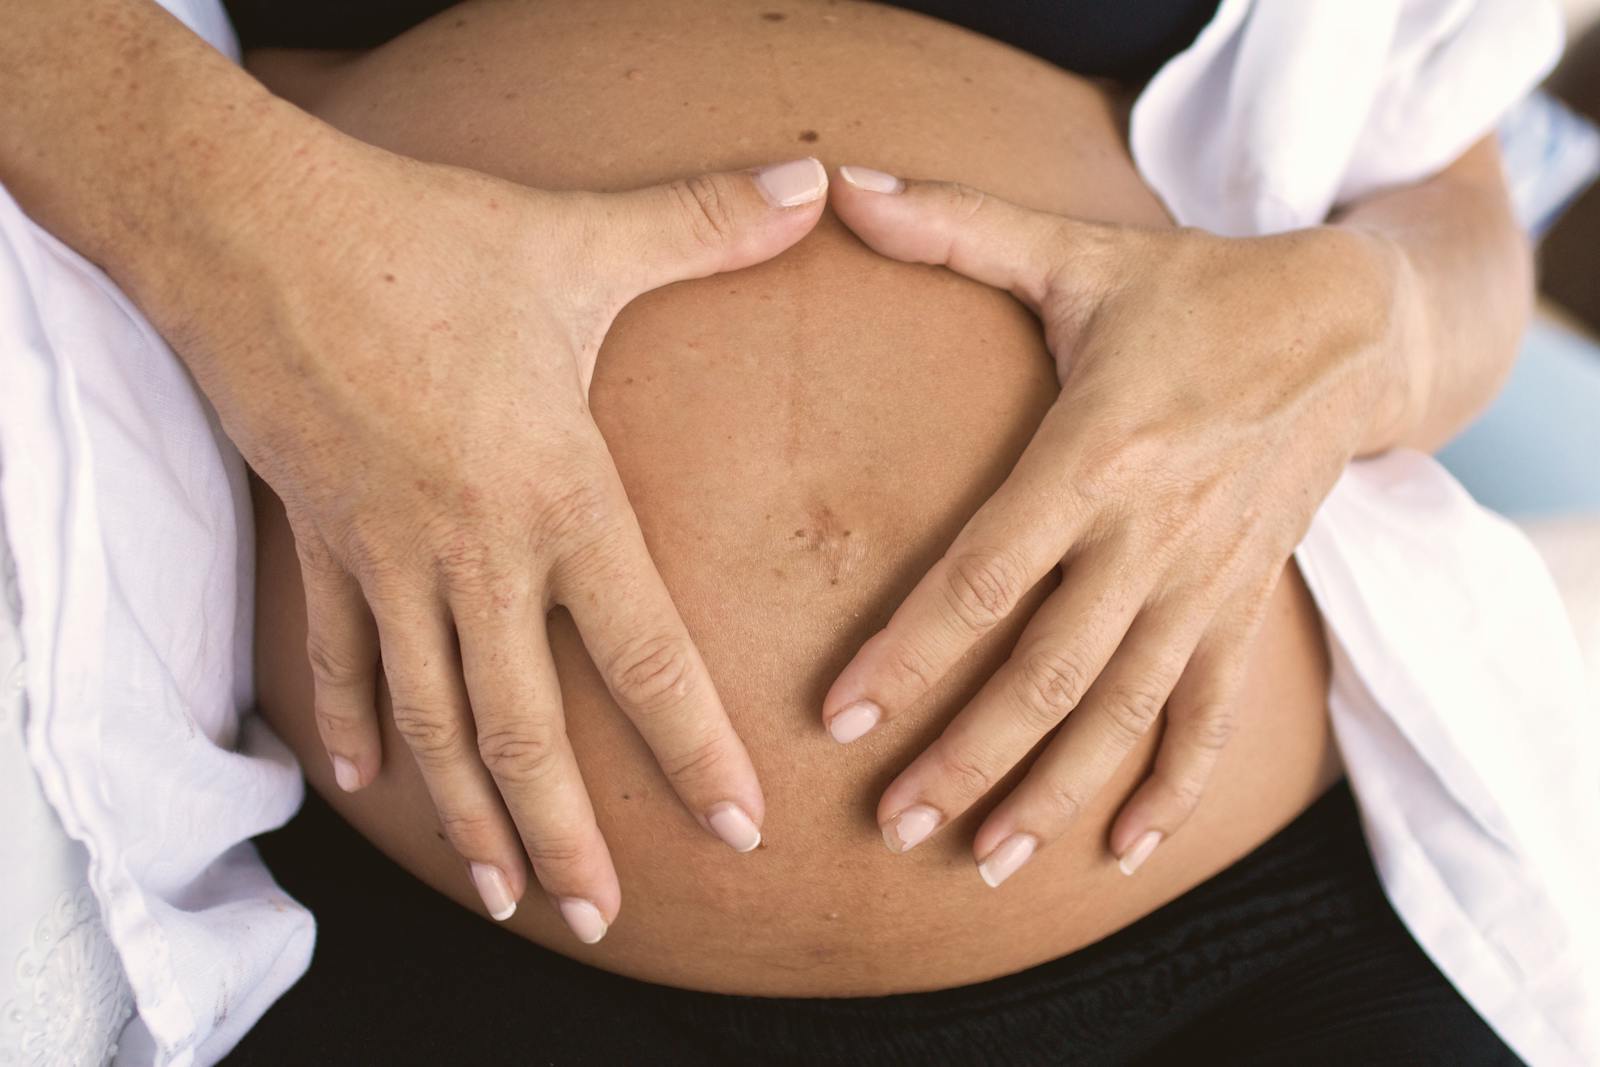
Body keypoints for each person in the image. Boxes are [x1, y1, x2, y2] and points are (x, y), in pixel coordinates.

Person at [0, 1, 1593, 1064]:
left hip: (1245, 931)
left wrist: (1372, 320)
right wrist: (247, 218)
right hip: (385, 914)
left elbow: (1443, 179)